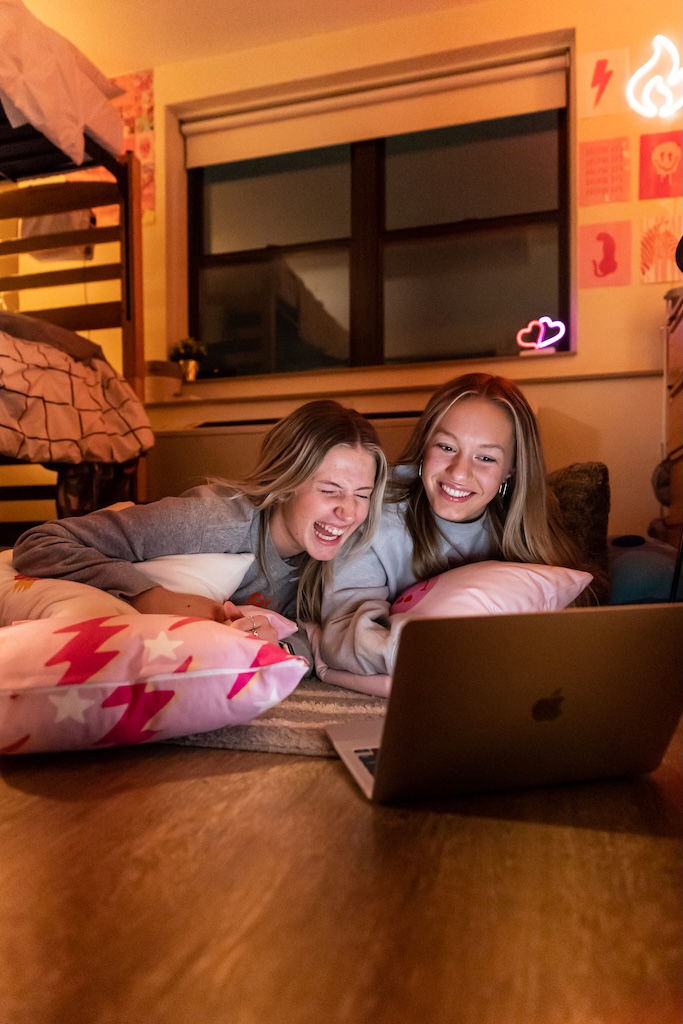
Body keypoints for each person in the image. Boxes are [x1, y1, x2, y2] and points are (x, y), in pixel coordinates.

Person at [11, 400, 388, 659]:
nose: (347, 512)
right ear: (287, 481)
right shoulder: (214, 521)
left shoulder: (342, 553)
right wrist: (150, 596)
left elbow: (318, 638)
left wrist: (279, 648)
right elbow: (39, 543)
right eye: (329, 491)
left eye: (362, 495)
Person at [316, 373, 596, 677]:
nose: (459, 473)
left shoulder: (521, 523)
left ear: (510, 470)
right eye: (447, 447)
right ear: (425, 445)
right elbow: (343, 634)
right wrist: (452, 656)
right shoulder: (374, 515)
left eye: (486, 458)